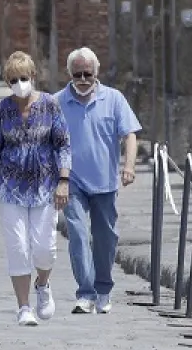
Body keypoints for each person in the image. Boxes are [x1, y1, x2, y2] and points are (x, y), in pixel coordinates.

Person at [0, 51, 72, 327]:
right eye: (13, 79)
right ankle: (23, 307)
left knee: (45, 248)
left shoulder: (50, 105)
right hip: (9, 188)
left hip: (45, 186)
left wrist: (64, 181)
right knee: (18, 246)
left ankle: (42, 284)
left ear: (33, 77)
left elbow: (63, 144)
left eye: (24, 78)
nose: (20, 83)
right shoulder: (1, 110)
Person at [56, 47, 141, 315]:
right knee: (78, 235)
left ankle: (103, 290)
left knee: (105, 239)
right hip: (71, 181)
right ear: (69, 74)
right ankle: (85, 293)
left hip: (105, 182)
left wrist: (128, 166)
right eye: (77, 74)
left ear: (97, 73)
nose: (83, 80)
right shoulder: (56, 102)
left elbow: (129, 135)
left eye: (88, 74)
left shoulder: (114, 99)